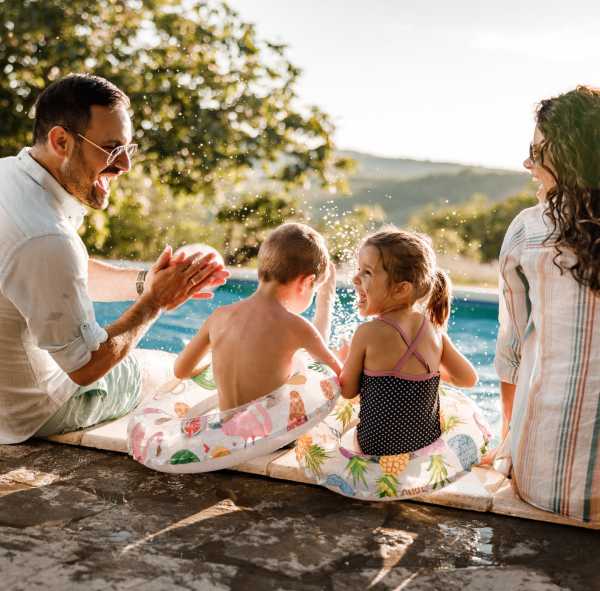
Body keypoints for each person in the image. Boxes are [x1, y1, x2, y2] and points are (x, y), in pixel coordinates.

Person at [0, 74, 228, 444]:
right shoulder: (46, 237)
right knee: (170, 372)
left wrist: (143, 282)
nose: (124, 166)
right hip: (30, 412)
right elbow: (85, 367)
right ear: (61, 141)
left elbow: (57, 276)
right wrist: (156, 301)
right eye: (110, 149)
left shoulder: (9, 177)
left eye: (128, 149)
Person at [494, 86, 600, 523]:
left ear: (570, 156)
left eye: (538, 152)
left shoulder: (529, 230)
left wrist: (506, 442)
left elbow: (513, 351)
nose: (528, 164)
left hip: (550, 485)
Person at [174, 223, 342, 412]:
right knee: (305, 365)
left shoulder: (219, 316)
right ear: (307, 282)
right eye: (316, 290)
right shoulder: (296, 327)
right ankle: (326, 301)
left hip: (222, 436)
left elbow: (181, 370)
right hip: (270, 440)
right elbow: (337, 376)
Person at [339, 228, 478, 455]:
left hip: (374, 448)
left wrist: (345, 359)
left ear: (401, 289)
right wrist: (424, 374)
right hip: (424, 447)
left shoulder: (367, 333)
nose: (355, 278)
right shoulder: (434, 330)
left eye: (367, 272)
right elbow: (468, 379)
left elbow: (347, 391)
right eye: (358, 270)